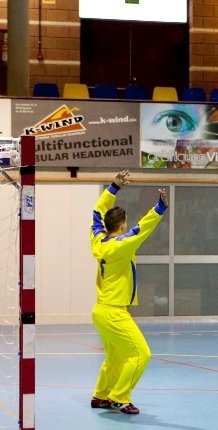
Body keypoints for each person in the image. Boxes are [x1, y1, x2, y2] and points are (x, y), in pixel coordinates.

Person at [89, 169, 168, 414]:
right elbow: (142, 228)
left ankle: (101, 395)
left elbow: (97, 212)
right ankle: (120, 397)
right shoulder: (122, 244)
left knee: (115, 357)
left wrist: (113, 188)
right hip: (115, 312)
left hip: (101, 311)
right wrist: (159, 209)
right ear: (122, 225)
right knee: (141, 354)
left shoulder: (97, 240)